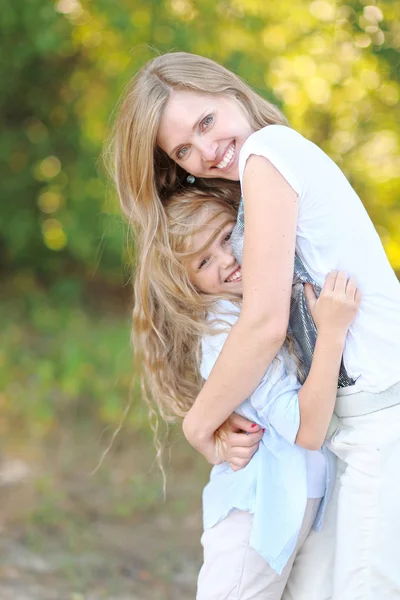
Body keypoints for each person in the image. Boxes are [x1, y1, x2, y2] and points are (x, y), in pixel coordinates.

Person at [110, 52, 400, 599]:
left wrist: (199, 424)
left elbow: (265, 323)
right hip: (353, 423)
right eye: (184, 151)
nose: (206, 151)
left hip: (381, 416)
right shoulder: (261, 170)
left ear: (228, 90)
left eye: (206, 122)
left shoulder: (266, 153)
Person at [140, 186, 360, 599]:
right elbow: (302, 427)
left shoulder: (266, 298)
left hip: (304, 504)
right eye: (204, 261)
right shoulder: (226, 331)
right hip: (257, 515)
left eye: (226, 237)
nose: (226, 260)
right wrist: (331, 333)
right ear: (188, 284)